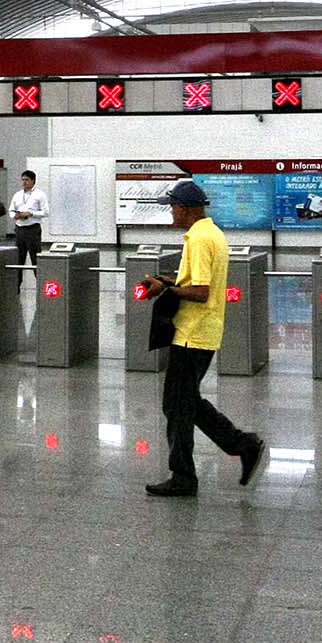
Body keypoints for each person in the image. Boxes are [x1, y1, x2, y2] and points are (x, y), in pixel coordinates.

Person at [136, 180, 265, 497]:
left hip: (192, 334)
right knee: (183, 402)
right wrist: (167, 281)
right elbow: (192, 281)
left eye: (173, 206)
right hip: (200, 331)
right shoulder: (211, 234)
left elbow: (201, 291)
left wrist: (166, 290)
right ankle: (241, 445)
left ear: (185, 208)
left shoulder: (200, 239)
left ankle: (190, 472)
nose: (171, 212)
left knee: (177, 405)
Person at [10, 169, 49, 264]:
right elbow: (11, 210)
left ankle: (38, 274)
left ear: (33, 181)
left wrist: (31, 213)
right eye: (23, 180)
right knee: (18, 258)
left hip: (32, 229)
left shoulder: (40, 194)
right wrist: (16, 216)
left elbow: (46, 212)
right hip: (19, 229)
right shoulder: (17, 195)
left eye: (26, 180)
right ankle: (18, 274)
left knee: (35, 257)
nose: (24, 182)